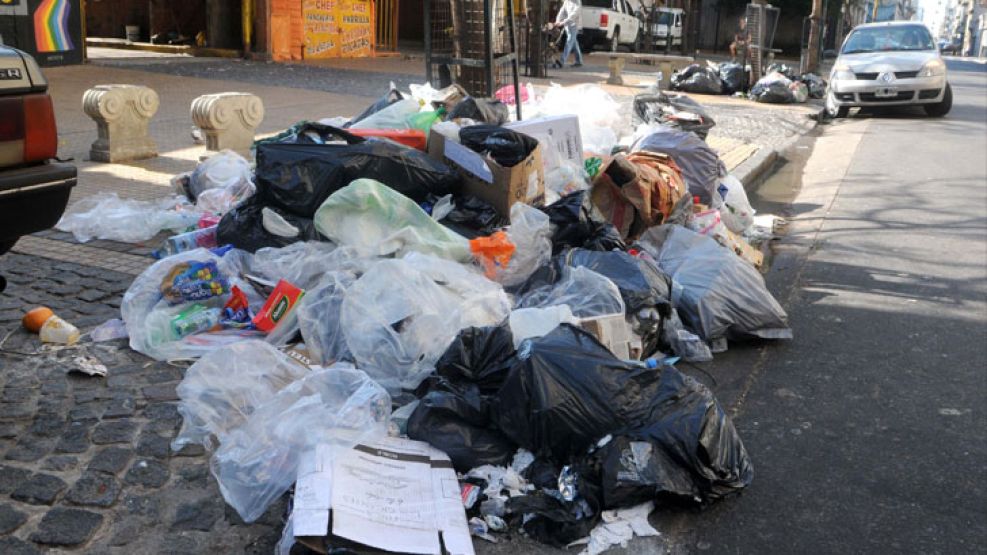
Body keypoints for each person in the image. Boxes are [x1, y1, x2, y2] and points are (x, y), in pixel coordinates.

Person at [554, 0, 583, 68]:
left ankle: (562, 61)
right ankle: (579, 61)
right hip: (567, 25)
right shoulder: (567, 1)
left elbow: (573, 15)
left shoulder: (577, 2)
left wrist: (562, 22)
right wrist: (557, 20)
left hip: (574, 24)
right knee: (574, 42)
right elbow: (562, 11)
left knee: (569, 42)